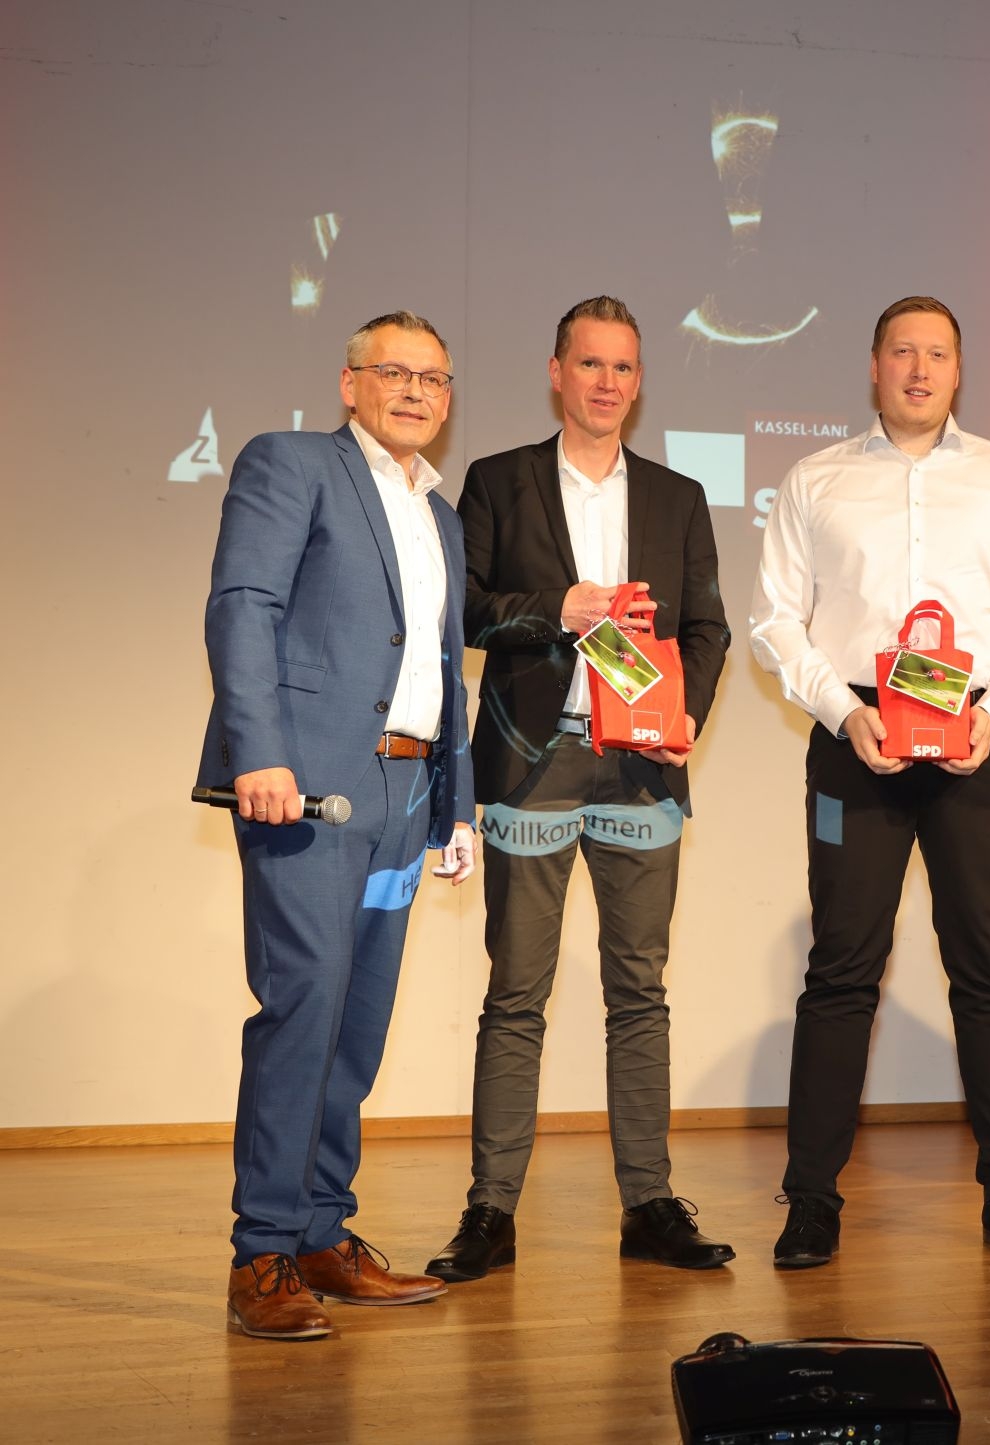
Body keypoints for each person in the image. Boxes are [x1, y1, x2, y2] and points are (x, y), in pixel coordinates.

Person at [748, 295, 990, 1268]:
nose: (920, 369)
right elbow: (775, 620)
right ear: (874, 364)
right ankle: (811, 1201)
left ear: (959, 370)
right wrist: (839, 711)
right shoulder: (816, 478)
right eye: (903, 351)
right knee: (840, 969)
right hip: (855, 736)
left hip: (976, 732)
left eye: (937, 353)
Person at [427, 296, 733, 1281]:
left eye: (624, 367)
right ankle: (490, 1211)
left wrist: (689, 713)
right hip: (534, 758)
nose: (607, 382)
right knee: (516, 993)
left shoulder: (679, 496)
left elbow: (708, 629)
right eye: (590, 363)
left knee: (640, 991)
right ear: (557, 373)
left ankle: (650, 1204)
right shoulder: (497, 479)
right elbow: (464, 611)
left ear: (639, 384)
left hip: (641, 766)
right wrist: (556, 609)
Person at [200, 311, 476, 1340]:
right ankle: (263, 1252)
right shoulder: (293, 463)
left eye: (432, 378)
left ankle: (323, 1234)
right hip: (309, 787)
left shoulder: (440, 513)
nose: (414, 390)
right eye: (392, 371)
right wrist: (258, 751)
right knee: (303, 1009)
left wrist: (455, 805)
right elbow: (244, 604)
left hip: (405, 798)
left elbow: (444, 667)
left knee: (358, 1024)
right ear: (350, 382)